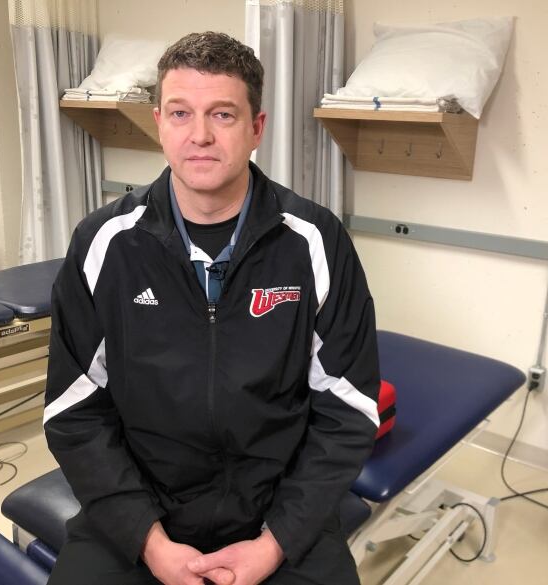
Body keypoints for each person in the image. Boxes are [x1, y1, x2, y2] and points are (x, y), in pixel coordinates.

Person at [44, 31, 380, 585]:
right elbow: (73, 410)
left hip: (275, 511)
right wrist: (148, 542)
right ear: (158, 121)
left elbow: (349, 410)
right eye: (180, 113)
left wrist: (274, 545)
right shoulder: (105, 243)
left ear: (256, 128)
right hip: (143, 506)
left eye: (222, 114)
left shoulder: (314, 241)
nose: (198, 135)